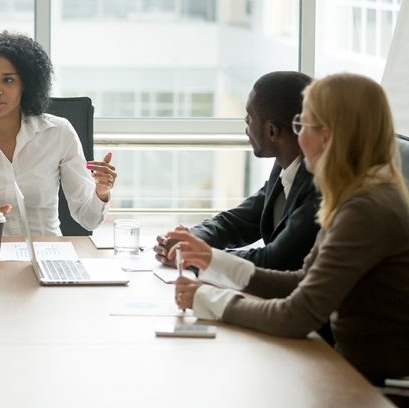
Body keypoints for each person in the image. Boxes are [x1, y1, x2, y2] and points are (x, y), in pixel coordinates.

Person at [169, 73, 409, 383]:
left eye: (302, 125)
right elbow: (300, 281)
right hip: (348, 368)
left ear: (327, 135)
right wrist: (211, 260)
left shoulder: (365, 209)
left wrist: (206, 300)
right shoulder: (360, 194)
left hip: (376, 385)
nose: (298, 137)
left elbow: (296, 315)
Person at [0, 30, 117, 237]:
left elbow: (88, 219)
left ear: (26, 84)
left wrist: (101, 192)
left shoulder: (58, 133)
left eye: (8, 80)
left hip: (47, 256)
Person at [155, 71, 319, 270]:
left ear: (272, 131)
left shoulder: (318, 185)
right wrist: (191, 239)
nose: (245, 121)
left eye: (250, 116)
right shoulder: (285, 165)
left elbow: (275, 260)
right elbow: (239, 221)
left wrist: (197, 257)